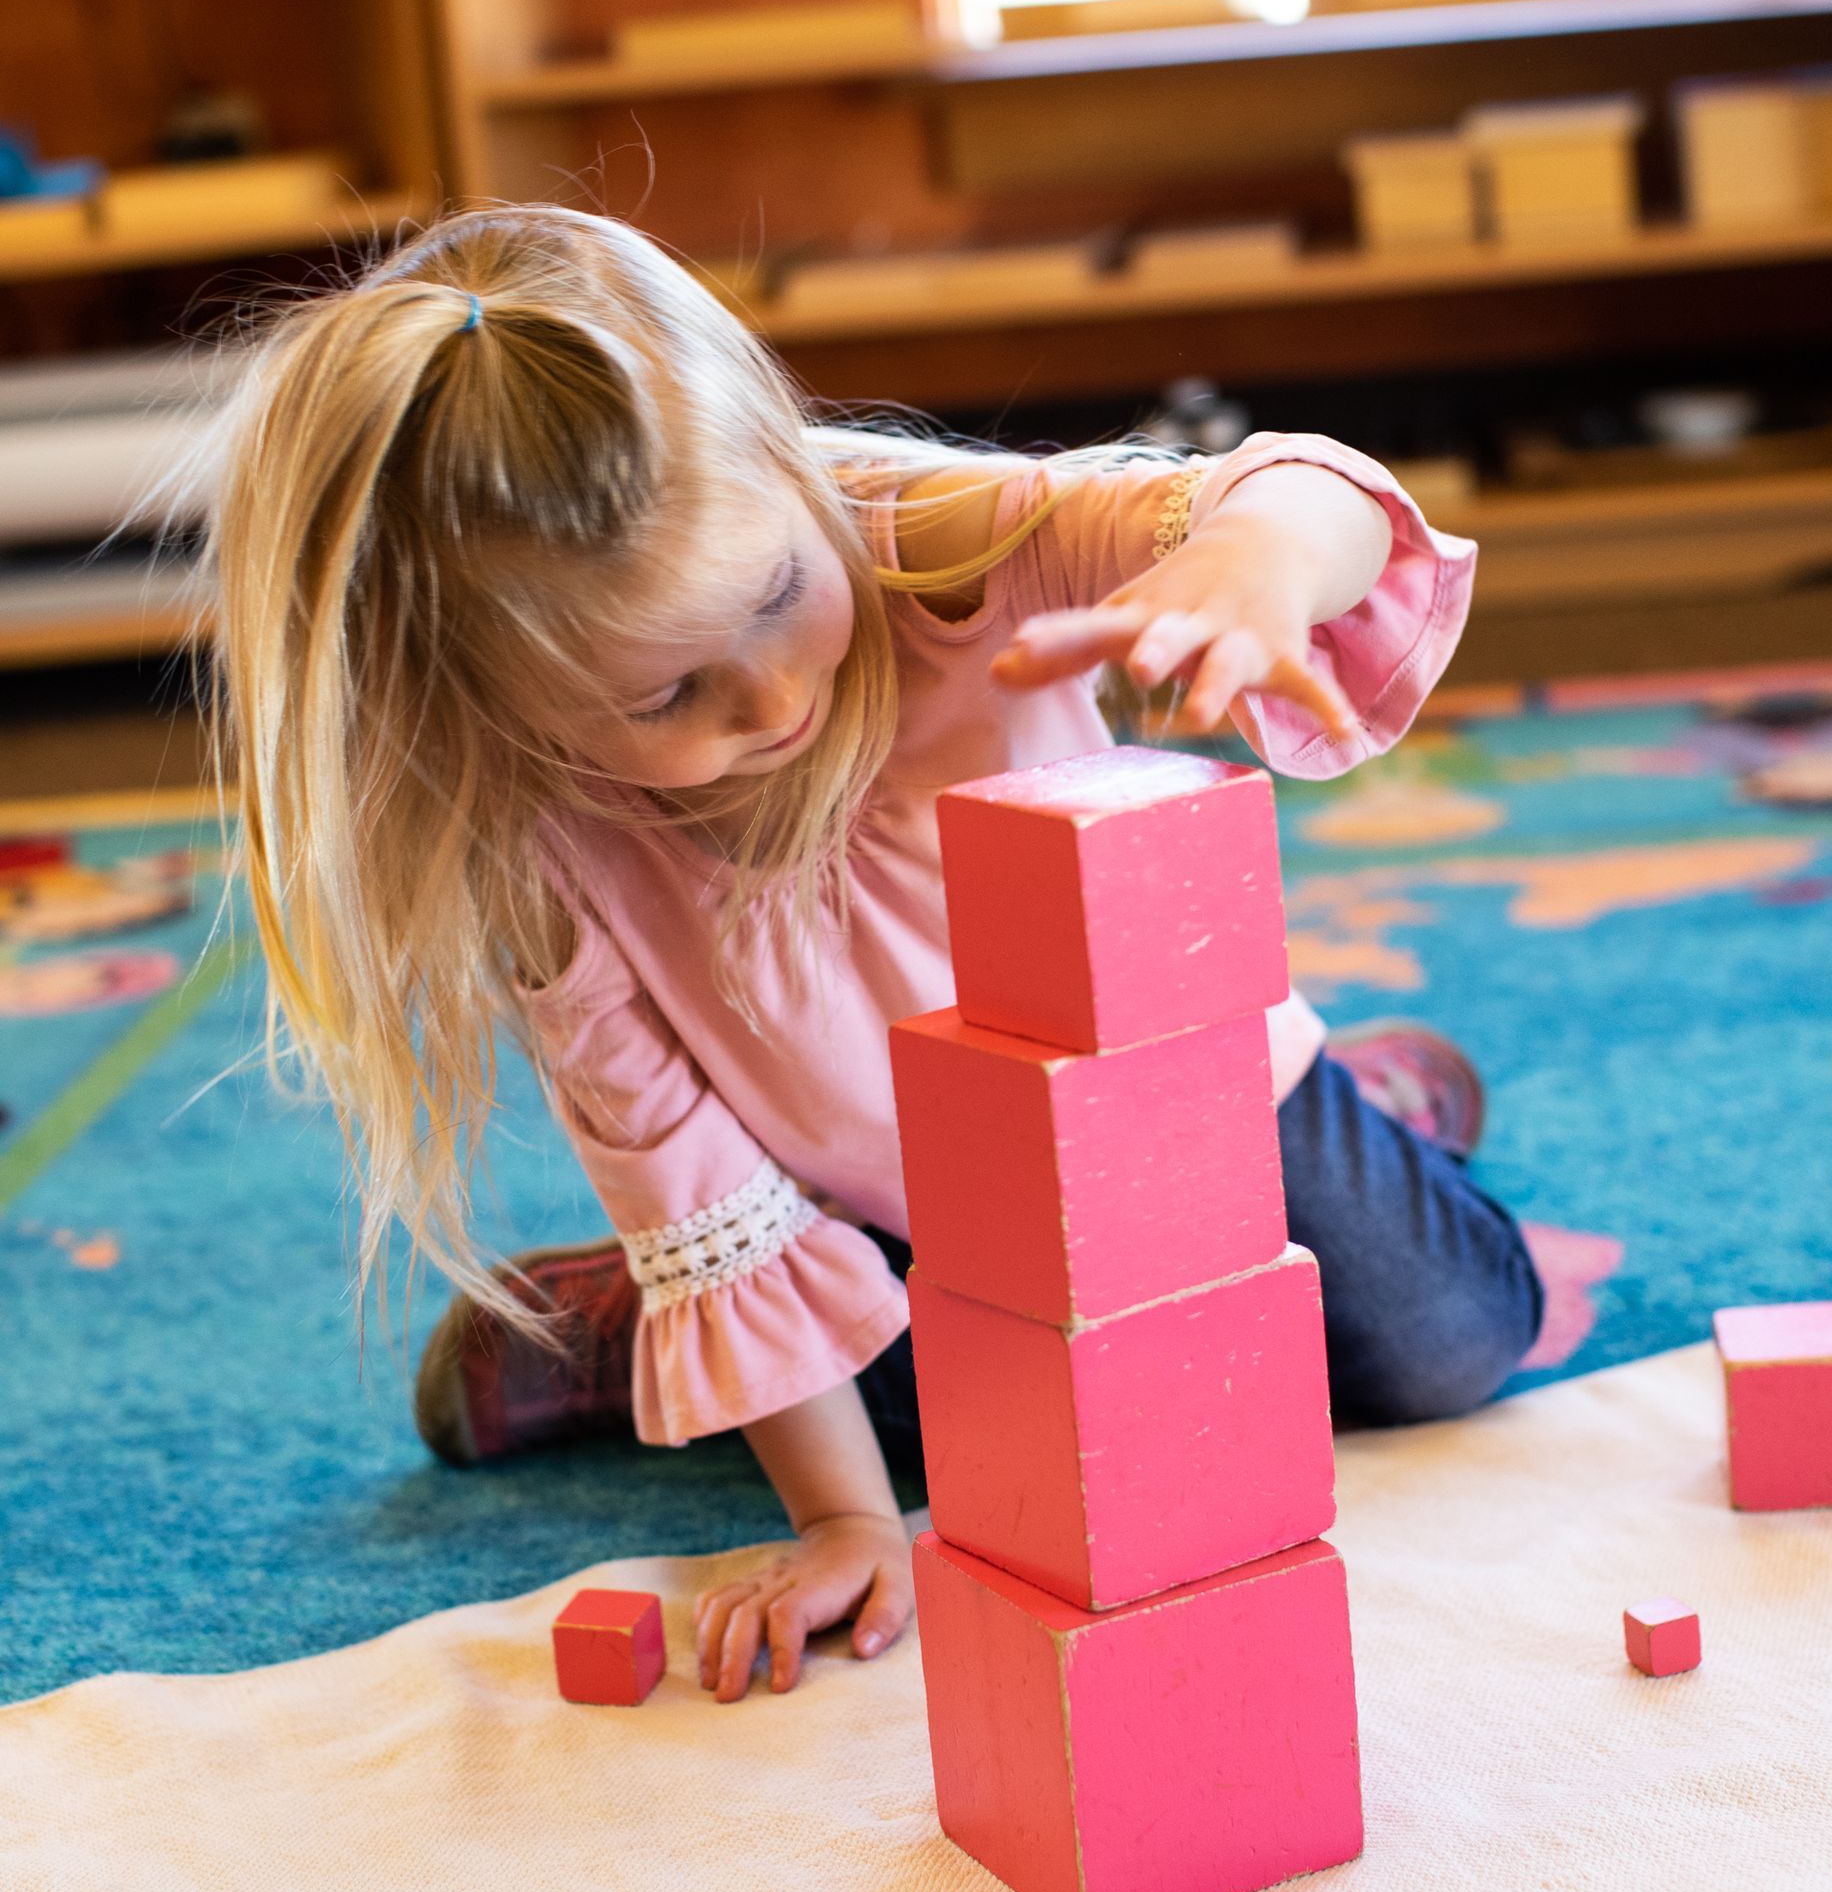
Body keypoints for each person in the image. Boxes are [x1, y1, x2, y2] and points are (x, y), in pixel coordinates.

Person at [211, 206, 1542, 1707]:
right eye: (670, 695)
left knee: (1453, 1346)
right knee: (1067, 1426)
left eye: (779, 595)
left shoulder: (924, 545)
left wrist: (1249, 557)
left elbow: (1315, 492)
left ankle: (1355, 1109)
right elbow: (692, 1173)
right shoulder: (533, 844)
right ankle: (642, 1321)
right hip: (881, 1207)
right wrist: (846, 1519)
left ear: (788, 467)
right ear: (496, 712)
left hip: (1174, 1093)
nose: (772, 694)